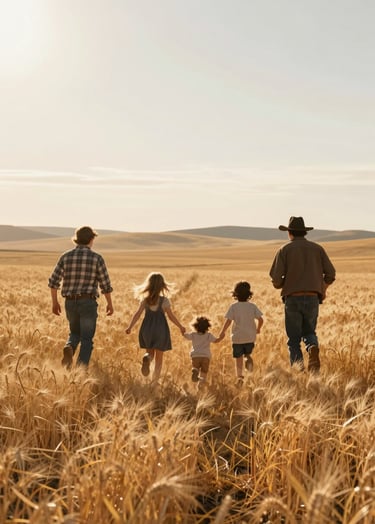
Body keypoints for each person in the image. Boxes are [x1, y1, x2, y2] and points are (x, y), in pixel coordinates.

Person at [269, 216, 336, 372]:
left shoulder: (284, 250)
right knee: (309, 332)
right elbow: (331, 274)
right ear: (305, 232)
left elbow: (276, 279)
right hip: (313, 297)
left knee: (293, 339)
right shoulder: (318, 249)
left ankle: (299, 372)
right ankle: (312, 347)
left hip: (292, 298)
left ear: (289, 232)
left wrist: (284, 283)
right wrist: (322, 288)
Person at [48, 226, 114, 368]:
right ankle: (80, 371)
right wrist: (109, 303)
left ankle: (70, 347)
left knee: (74, 332)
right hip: (88, 302)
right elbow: (105, 284)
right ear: (91, 239)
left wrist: (55, 302)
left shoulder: (65, 256)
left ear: (76, 239)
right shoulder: (97, 258)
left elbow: (53, 282)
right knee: (87, 339)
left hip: (70, 302)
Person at [125, 272, 185, 382]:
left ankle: (147, 358)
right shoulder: (164, 301)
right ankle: (154, 382)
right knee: (159, 359)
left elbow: (137, 314)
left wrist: (130, 327)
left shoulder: (145, 300)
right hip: (160, 330)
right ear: (162, 286)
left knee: (150, 352)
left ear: (149, 285)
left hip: (147, 329)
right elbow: (171, 316)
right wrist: (180, 326)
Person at [219, 281, 263, 384]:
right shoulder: (252, 306)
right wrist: (258, 329)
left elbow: (228, 321)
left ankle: (240, 377)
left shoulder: (233, 307)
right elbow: (261, 320)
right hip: (250, 337)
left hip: (237, 338)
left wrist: (222, 332)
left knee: (238, 359)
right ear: (249, 294)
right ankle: (250, 369)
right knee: (247, 354)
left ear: (235, 294)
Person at [183, 316, 223, 387]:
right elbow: (216, 340)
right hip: (205, 356)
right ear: (207, 326)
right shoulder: (208, 335)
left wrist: (182, 331)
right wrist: (221, 337)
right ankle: (201, 384)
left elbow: (186, 336)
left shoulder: (193, 334)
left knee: (196, 367)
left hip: (195, 356)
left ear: (195, 326)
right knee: (204, 371)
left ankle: (195, 370)